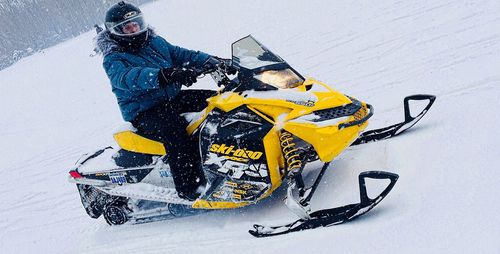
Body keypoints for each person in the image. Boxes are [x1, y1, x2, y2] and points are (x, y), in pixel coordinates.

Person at [97, 1, 235, 200]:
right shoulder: (114, 58)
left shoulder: (155, 42)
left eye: (137, 24)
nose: (134, 29)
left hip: (172, 98)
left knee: (219, 101)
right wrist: (164, 75)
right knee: (175, 129)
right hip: (144, 110)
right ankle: (191, 189)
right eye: (128, 27)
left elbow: (183, 55)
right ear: (116, 32)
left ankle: (231, 159)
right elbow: (127, 77)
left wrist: (213, 61)